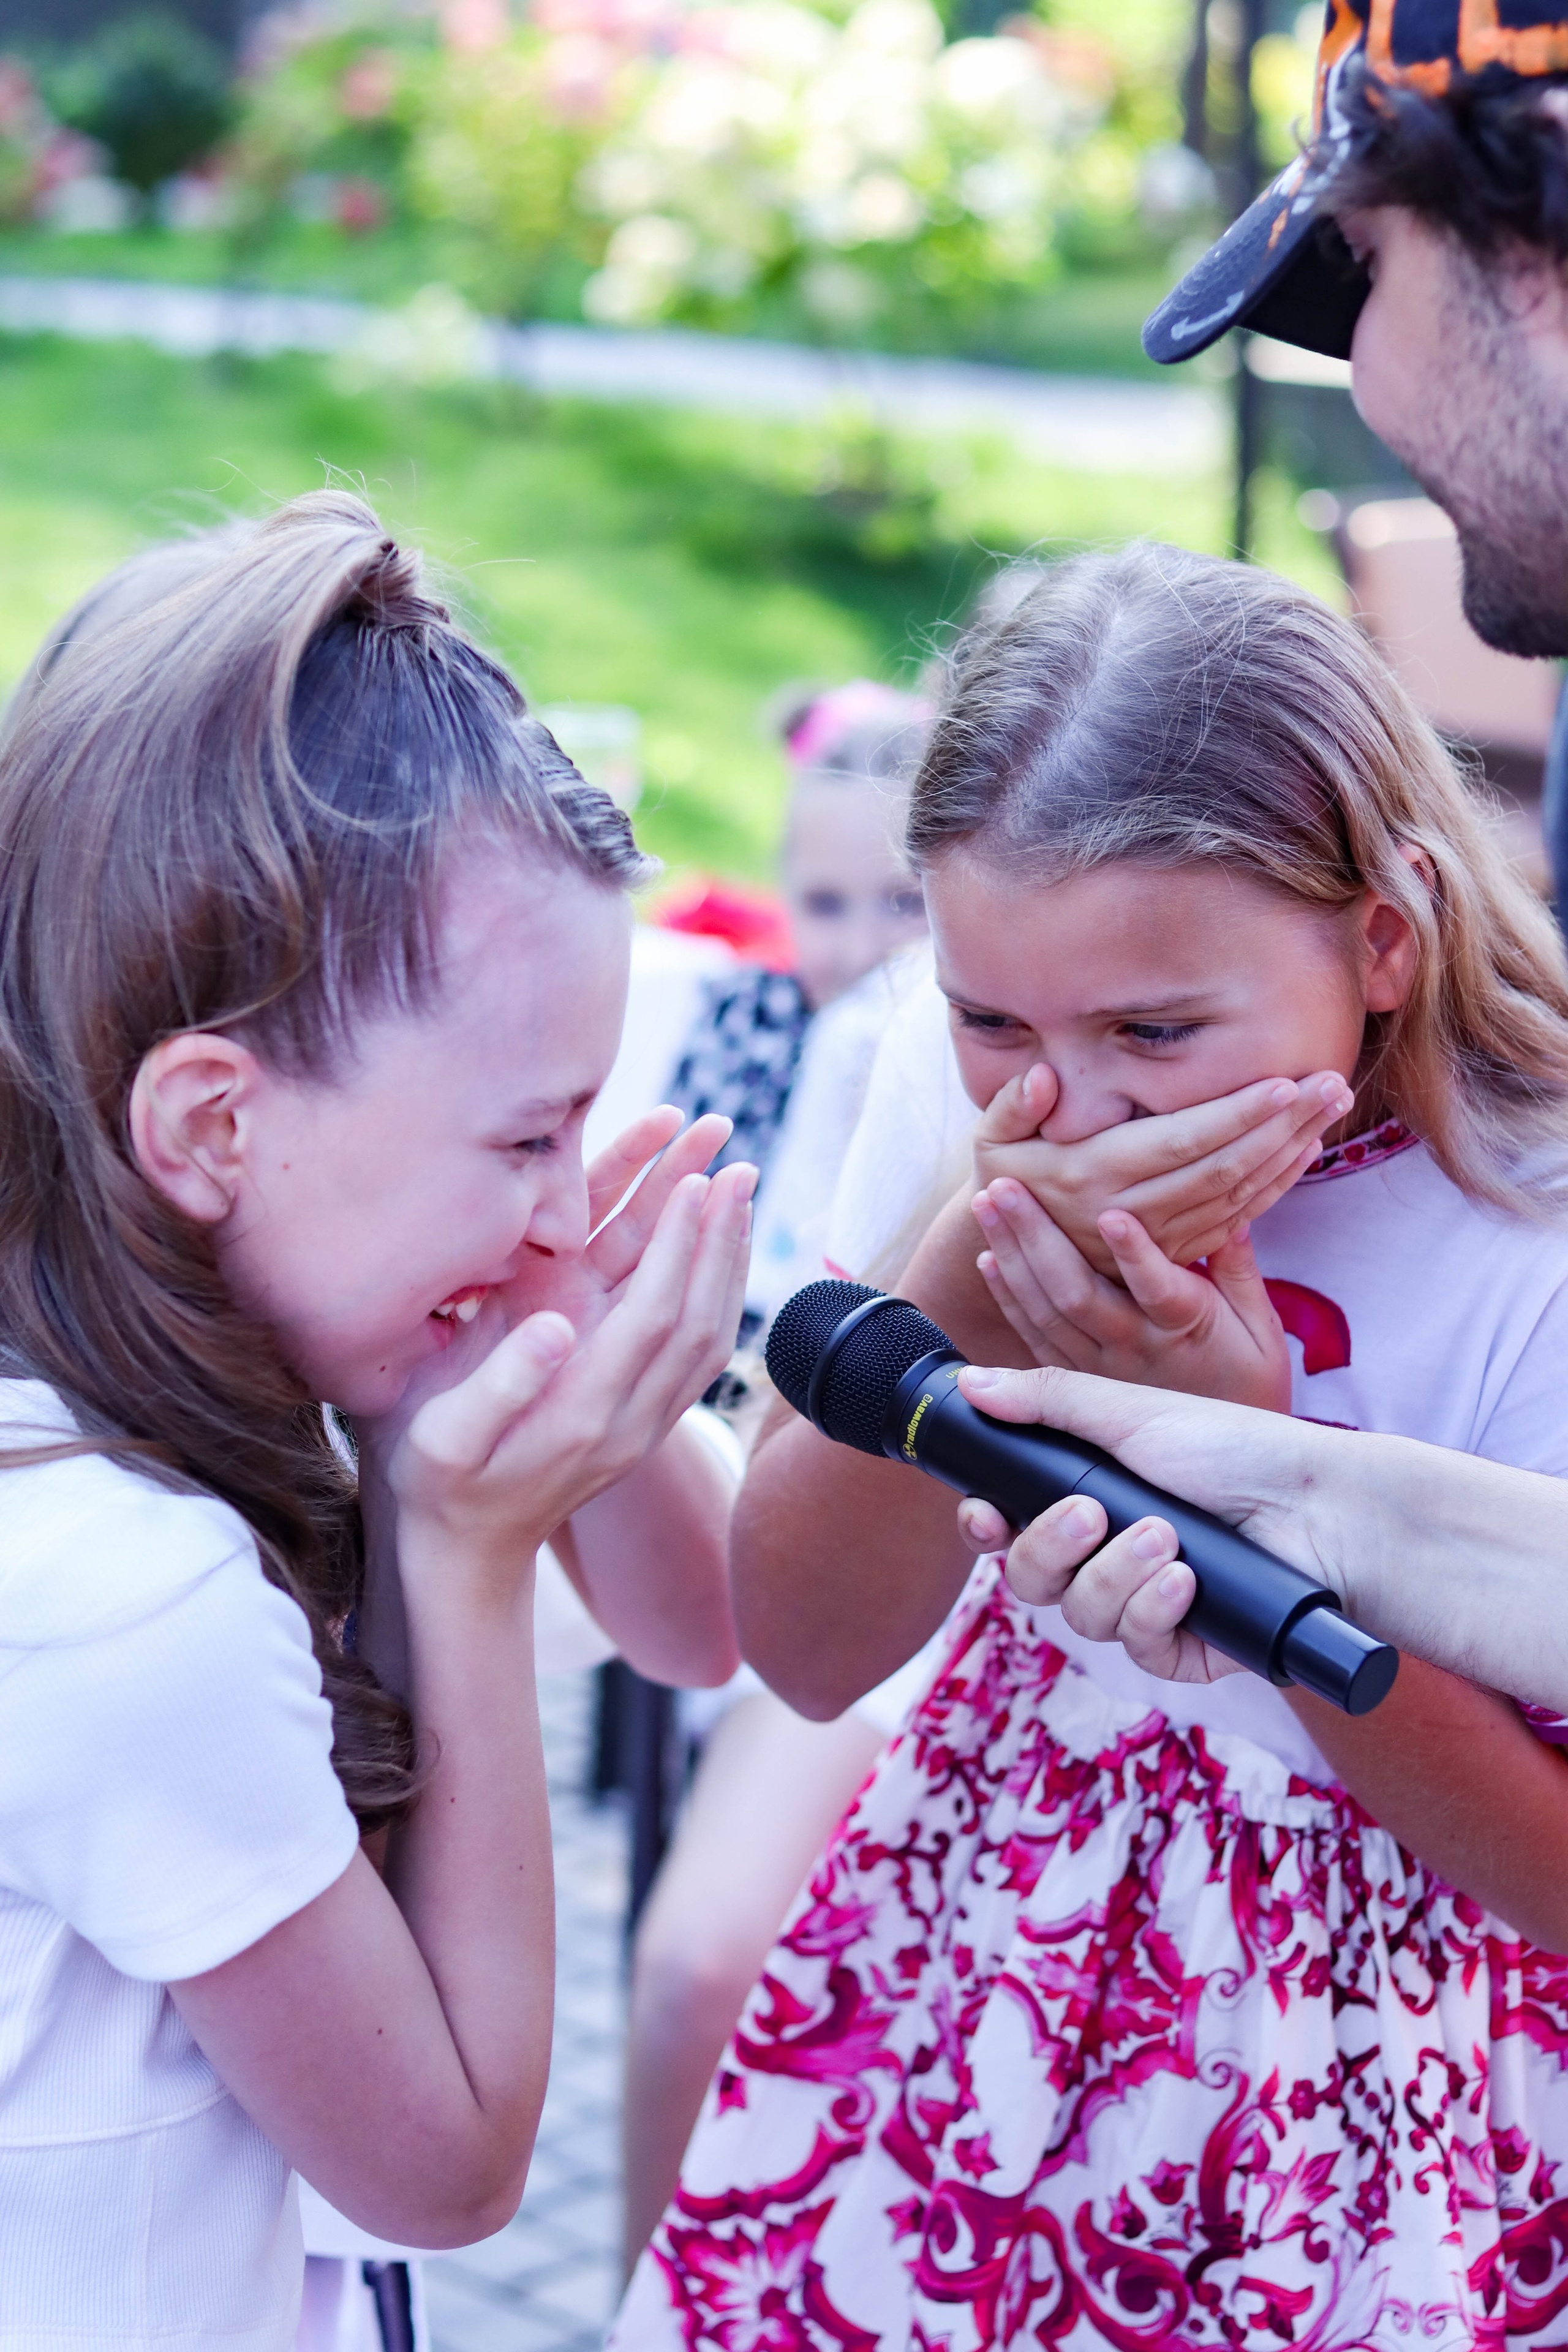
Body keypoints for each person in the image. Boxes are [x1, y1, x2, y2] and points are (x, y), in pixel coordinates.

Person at [614, 539, 1568, 2345]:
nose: (1067, 1104)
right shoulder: (960, 1094)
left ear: (1384, 936)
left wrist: (1261, 1484)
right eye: (994, 1022)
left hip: (1383, 2084)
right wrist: (961, 1274)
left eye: (1155, 1029)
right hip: (992, 1974)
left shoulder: (1527, 1214)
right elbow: (808, 1649)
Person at [0, 489, 756, 2349]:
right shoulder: (118, 1602)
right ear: (211, 1127)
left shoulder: (153, 1338)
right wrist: (471, 1563)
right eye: (524, 1137)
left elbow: (705, 1624)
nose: (570, 1206)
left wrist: (569, 1363)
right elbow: (443, 2165)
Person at [617, 682, 934, 2269]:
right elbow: (771, 1338)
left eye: (909, 905)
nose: (872, 942)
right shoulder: (783, 1041)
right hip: (818, 1527)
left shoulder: (927, 1027)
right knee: (700, 1963)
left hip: (1004, 1561)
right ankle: (647, 2294)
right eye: (828, 900)